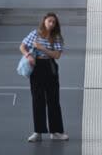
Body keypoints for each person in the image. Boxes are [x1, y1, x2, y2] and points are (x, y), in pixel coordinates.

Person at [19, 13, 67, 142]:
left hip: (49, 67)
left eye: (53, 22)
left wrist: (42, 48)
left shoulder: (56, 37)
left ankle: (56, 131)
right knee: (37, 99)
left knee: (53, 99)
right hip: (36, 67)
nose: (51, 24)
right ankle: (38, 132)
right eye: (49, 21)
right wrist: (28, 55)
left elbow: (56, 55)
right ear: (44, 21)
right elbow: (22, 46)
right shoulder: (35, 33)